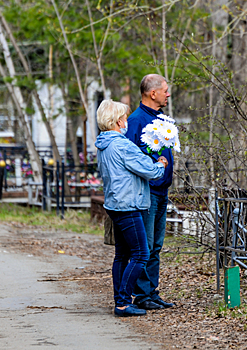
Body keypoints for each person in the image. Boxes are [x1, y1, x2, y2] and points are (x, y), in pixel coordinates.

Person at [95, 99, 168, 317]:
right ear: (118, 121)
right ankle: (123, 302)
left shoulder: (103, 144)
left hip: (115, 204)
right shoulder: (123, 145)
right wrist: (161, 163)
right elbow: (151, 171)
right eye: (124, 117)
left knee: (122, 255)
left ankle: (121, 300)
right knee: (141, 254)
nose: (127, 121)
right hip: (129, 204)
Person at [125, 74, 175, 310]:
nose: (168, 94)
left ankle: (151, 292)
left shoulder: (161, 118)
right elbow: (130, 155)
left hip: (162, 189)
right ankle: (142, 294)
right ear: (152, 93)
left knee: (156, 244)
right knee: (145, 245)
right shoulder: (136, 121)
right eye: (164, 90)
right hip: (147, 191)